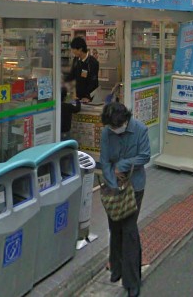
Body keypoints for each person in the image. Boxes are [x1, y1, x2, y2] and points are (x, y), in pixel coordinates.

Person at [100, 102, 151, 297]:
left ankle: (132, 281)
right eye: (111, 127)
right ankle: (117, 267)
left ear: (125, 121)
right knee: (114, 227)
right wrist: (113, 183)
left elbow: (144, 156)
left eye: (117, 126)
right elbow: (105, 161)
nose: (114, 130)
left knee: (129, 231)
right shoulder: (106, 133)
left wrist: (122, 165)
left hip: (134, 188)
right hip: (113, 189)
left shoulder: (140, 130)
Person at [65, 36, 100, 102]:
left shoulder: (93, 62)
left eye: (73, 49)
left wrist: (87, 96)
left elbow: (94, 82)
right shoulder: (76, 60)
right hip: (78, 96)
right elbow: (72, 75)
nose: (72, 51)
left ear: (80, 49)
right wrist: (61, 81)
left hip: (89, 98)